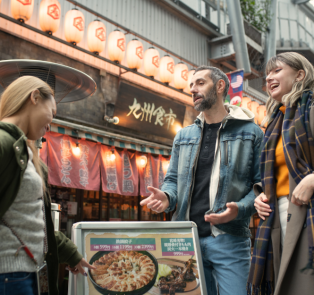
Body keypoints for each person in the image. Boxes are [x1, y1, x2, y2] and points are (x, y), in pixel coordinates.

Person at [140, 66, 264, 295]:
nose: (193, 90)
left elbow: (260, 186)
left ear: (219, 86)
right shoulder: (184, 135)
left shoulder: (251, 132)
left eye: (199, 83)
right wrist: (167, 197)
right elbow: (173, 179)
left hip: (230, 239)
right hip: (184, 239)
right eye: (191, 85)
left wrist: (239, 209)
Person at [0, 76, 95, 295]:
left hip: (26, 272)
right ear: (34, 97)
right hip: (9, 276)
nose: (50, 123)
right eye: (51, 113)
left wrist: (71, 253)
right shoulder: (4, 142)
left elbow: (32, 220)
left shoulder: (25, 152)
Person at [248, 52, 314, 295]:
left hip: (306, 212)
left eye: (277, 70)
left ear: (300, 75)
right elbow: (271, 176)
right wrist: (260, 196)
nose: (269, 77)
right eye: (267, 73)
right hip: (277, 215)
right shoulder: (276, 120)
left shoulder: (310, 109)